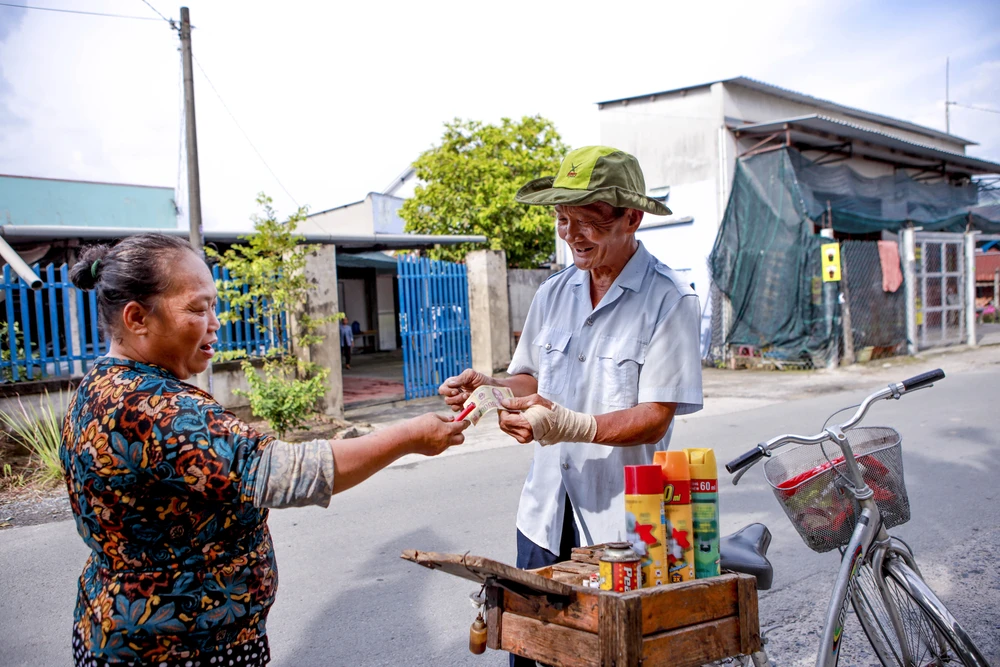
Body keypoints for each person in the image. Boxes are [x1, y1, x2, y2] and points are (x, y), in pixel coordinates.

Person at [62, 233, 468, 667]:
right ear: (137, 317)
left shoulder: (104, 384)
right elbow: (287, 473)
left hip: (123, 629)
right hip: (176, 649)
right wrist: (408, 437)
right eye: (198, 308)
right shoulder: (155, 407)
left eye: (213, 305)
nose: (214, 321)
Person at [438, 146, 702, 665]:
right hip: (543, 514)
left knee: (603, 655)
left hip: (620, 527)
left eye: (588, 220)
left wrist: (567, 423)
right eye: (563, 219)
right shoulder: (553, 293)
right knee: (531, 651)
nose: (572, 233)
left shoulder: (670, 300)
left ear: (632, 218)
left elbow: (655, 417)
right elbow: (530, 377)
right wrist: (488, 387)